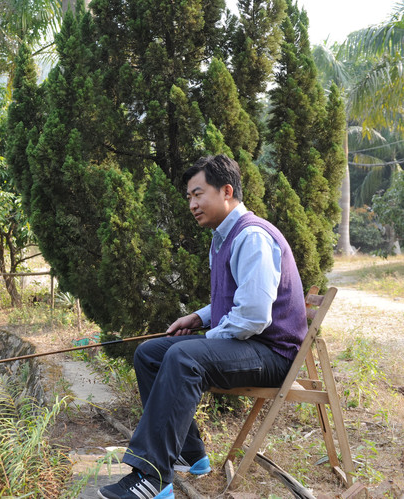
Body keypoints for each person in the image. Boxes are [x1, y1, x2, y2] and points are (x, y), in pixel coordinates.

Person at [98, 155, 308, 499]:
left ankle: (151, 478)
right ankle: (190, 454)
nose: (193, 204)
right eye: (189, 198)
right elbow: (241, 296)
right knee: (150, 353)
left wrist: (205, 339)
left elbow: (255, 315)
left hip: (272, 354)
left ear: (227, 191)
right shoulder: (224, 237)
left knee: (185, 356)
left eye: (198, 194)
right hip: (249, 346)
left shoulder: (252, 236)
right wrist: (199, 317)